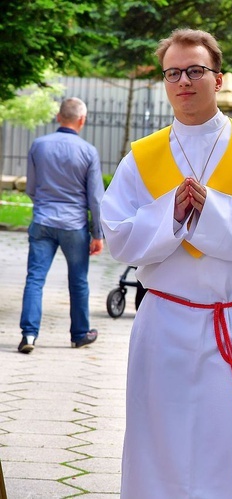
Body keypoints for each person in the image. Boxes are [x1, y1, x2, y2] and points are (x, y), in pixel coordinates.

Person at [100, 28, 232, 498]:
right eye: (173, 73)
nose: (184, 81)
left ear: (218, 78)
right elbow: (118, 235)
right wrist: (173, 212)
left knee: (228, 444)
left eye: (195, 71)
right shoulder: (141, 158)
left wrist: (211, 209)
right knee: (156, 438)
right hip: (164, 323)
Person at [18, 97, 103, 354]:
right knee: (78, 281)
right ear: (82, 120)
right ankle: (79, 334)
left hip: (42, 221)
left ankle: (29, 336)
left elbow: (31, 187)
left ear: (58, 117)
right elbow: (95, 198)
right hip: (74, 225)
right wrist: (97, 233)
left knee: (35, 279)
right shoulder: (88, 151)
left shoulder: (38, 145)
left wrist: (44, 205)